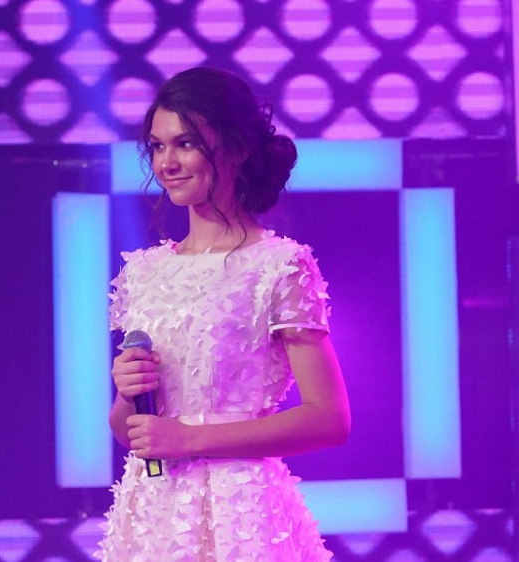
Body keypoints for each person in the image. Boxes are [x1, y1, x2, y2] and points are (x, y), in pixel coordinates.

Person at [97, 66, 351, 561]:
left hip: (243, 514)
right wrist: (127, 394)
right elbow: (132, 433)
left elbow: (329, 418)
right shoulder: (143, 273)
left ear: (236, 147)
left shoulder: (278, 265)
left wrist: (191, 439)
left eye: (186, 144)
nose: (167, 162)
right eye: (158, 146)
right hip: (154, 517)